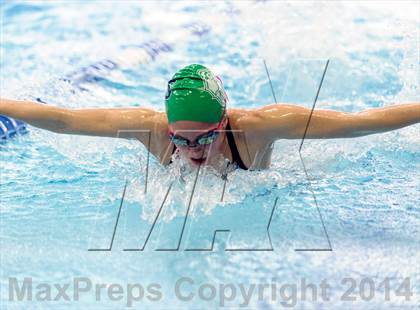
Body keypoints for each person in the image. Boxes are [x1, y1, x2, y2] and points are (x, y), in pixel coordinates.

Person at [0, 64, 419, 170]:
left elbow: (361, 122)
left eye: (203, 137)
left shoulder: (258, 127)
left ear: (223, 122)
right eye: (180, 138)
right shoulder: (151, 130)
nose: (190, 149)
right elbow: (65, 120)